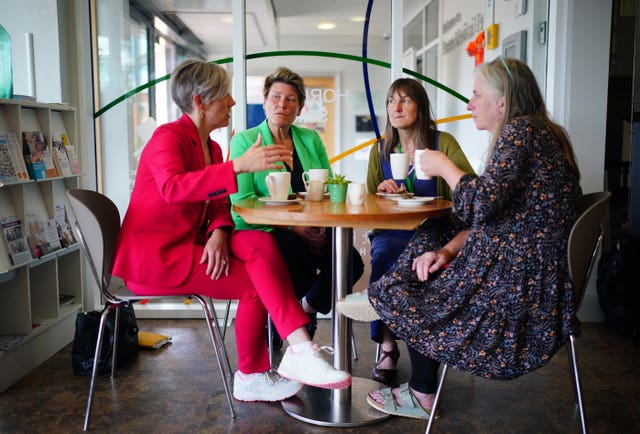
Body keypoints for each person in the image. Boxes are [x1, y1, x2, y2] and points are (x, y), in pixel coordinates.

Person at [111, 59, 351, 404]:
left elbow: (221, 202)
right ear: (201, 101)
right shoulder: (168, 137)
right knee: (255, 282)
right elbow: (174, 189)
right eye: (226, 96)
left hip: (195, 242)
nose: (233, 103)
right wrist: (239, 166)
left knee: (259, 240)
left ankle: (300, 351)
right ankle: (254, 374)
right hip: (158, 257)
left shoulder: (212, 146)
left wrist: (220, 230)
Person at [366, 56, 582, 419]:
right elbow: (493, 216)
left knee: (409, 285)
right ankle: (420, 381)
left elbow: (479, 205)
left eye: (476, 94)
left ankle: (421, 393)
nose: (469, 103)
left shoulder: (521, 133)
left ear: (503, 101)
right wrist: (448, 250)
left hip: (523, 285)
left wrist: (444, 167)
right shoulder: (543, 132)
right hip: (536, 273)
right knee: (430, 241)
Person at [229, 66, 364, 343]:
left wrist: (318, 228)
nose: (282, 104)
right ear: (265, 102)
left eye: (291, 99)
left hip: (311, 227)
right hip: (266, 230)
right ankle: (283, 321)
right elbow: (241, 202)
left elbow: (326, 188)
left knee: (351, 262)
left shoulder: (309, 138)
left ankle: (305, 309)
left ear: (300, 108)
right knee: (298, 261)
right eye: (276, 97)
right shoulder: (244, 141)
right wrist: (294, 229)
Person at [366, 78, 474, 384]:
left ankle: (426, 356)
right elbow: (370, 201)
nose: (395, 108)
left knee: (424, 271)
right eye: (390, 101)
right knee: (385, 254)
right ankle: (387, 344)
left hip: (437, 232)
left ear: (421, 106)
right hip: (394, 230)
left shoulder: (443, 144)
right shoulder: (381, 150)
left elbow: (469, 189)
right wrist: (384, 191)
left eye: (404, 100)